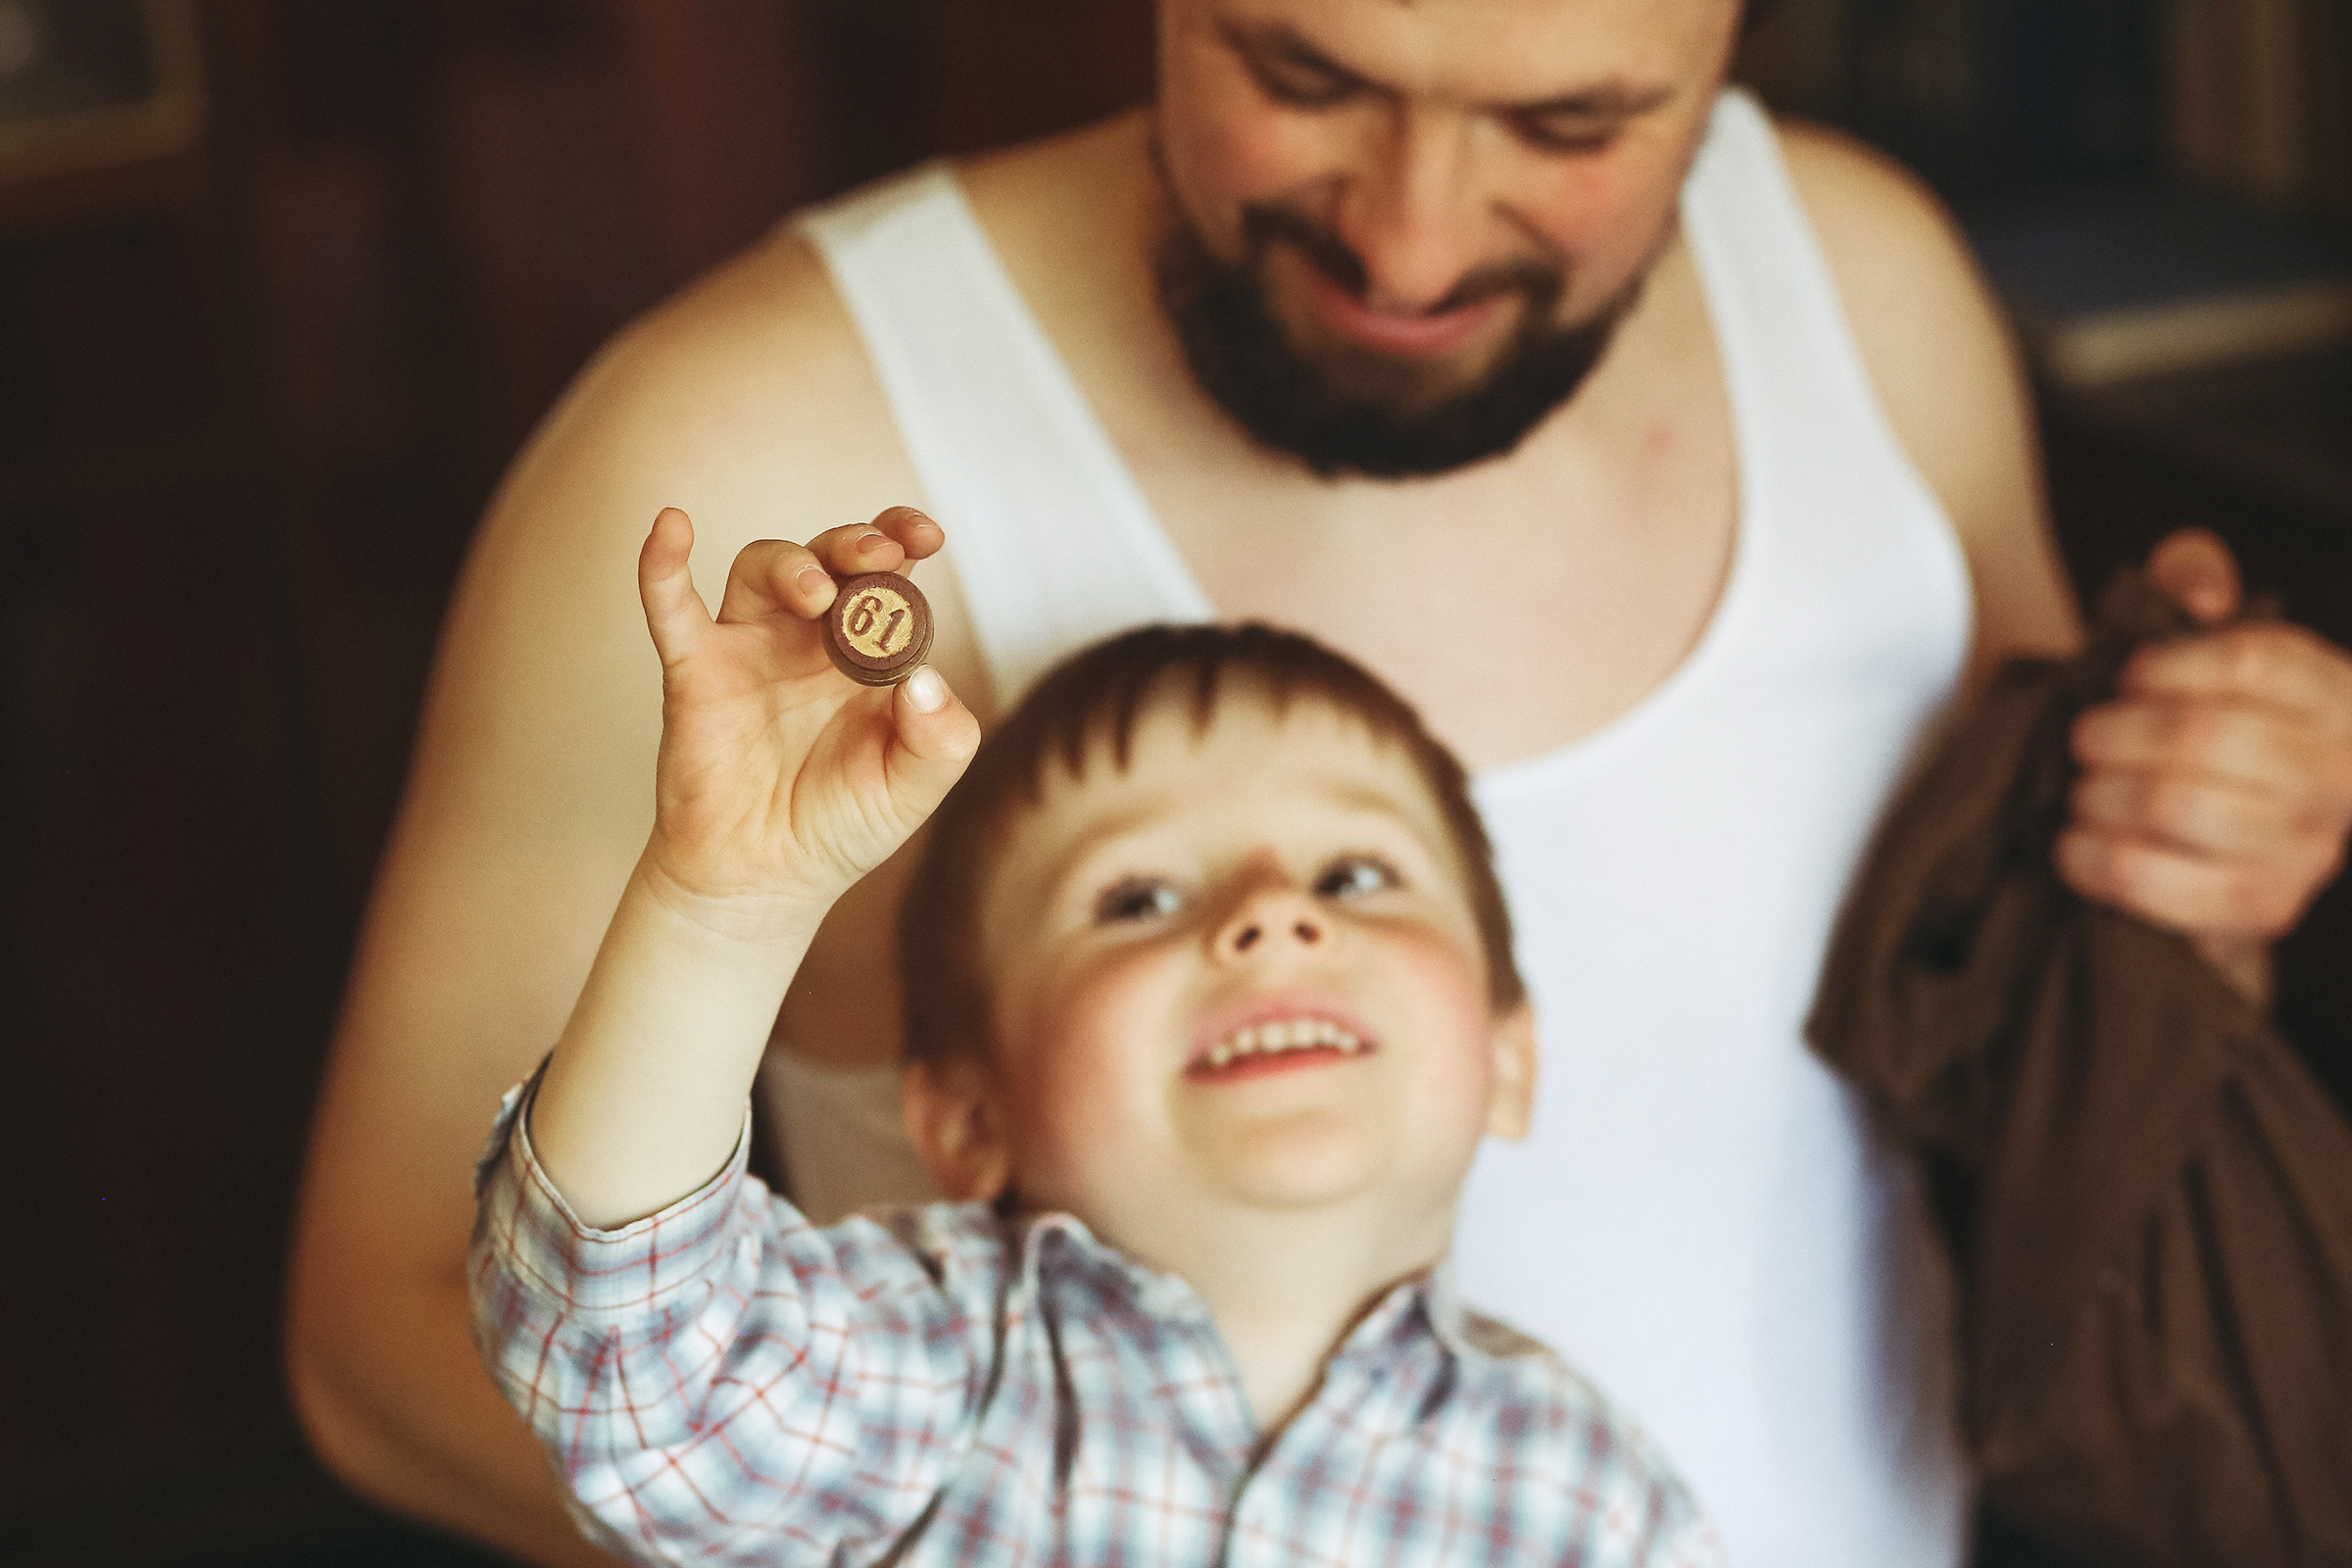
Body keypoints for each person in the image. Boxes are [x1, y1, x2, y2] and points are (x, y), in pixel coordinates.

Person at [285, 2, 2352, 1565]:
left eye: (1568, 123)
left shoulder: (1871, 280)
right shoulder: (742, 450)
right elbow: (394, 1337)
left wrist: (2199, 883)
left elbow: (2038, 1029)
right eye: (1308, 70)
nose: (1413, 235)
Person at [469, 519, 1721, 1565]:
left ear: (1508, 1058)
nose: (1272, 914)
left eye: (1355, 873)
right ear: (969, 1120)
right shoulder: (930, 1380)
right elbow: (631, 1354)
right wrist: (724, 908)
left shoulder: (1590, 1501)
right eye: (1139, 900)